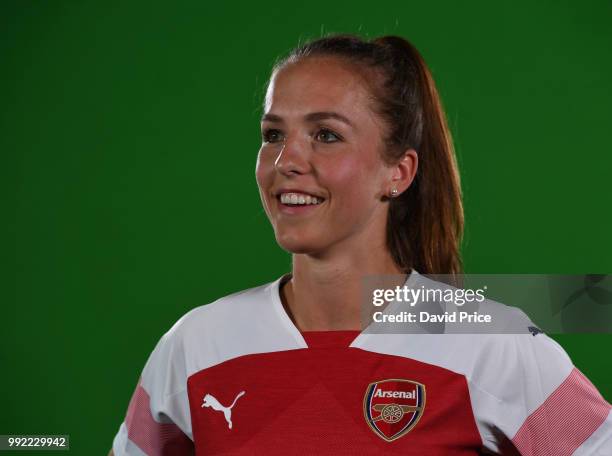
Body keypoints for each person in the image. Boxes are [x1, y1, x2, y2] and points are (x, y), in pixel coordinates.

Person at [109, 34, 611, 455]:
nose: (286, 160)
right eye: (272, 134)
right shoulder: (196, 345)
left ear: (398, 172)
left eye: (326, 135)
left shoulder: (491, 343)